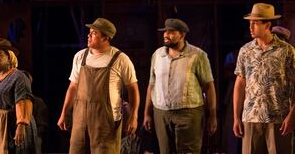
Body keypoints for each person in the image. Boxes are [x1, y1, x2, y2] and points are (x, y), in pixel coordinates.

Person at [58, 18, 139, 154]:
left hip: (106, 122)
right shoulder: (80, 56)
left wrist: (133, 116)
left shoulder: (120, 59)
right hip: (80, 119)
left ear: (105, 37)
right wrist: (64, 113)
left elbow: (133, 88)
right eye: (89, 32)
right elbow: (72, 87)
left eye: (94, 33)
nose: (88, 36)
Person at [142, 18, 217, 153]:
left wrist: (212, 116)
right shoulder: (158, 55)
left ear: (182, 35)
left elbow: (209, 86)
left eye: (171, 32)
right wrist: (147, 113)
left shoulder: (198, 55)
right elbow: (151, 85)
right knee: (165, 151)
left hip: (189, 113)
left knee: (188, 151)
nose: (166, 35)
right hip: (161, 113)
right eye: (165, 32)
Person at [232, 3, 295, 154]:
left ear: (267, 25)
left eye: (255, 23)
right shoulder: (245, 51)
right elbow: (240, 84)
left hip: (278, 117)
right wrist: (236, 117)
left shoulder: (286, 51)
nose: (250, 27)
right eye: (250, 23)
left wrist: (292, 116)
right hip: (251, 116)